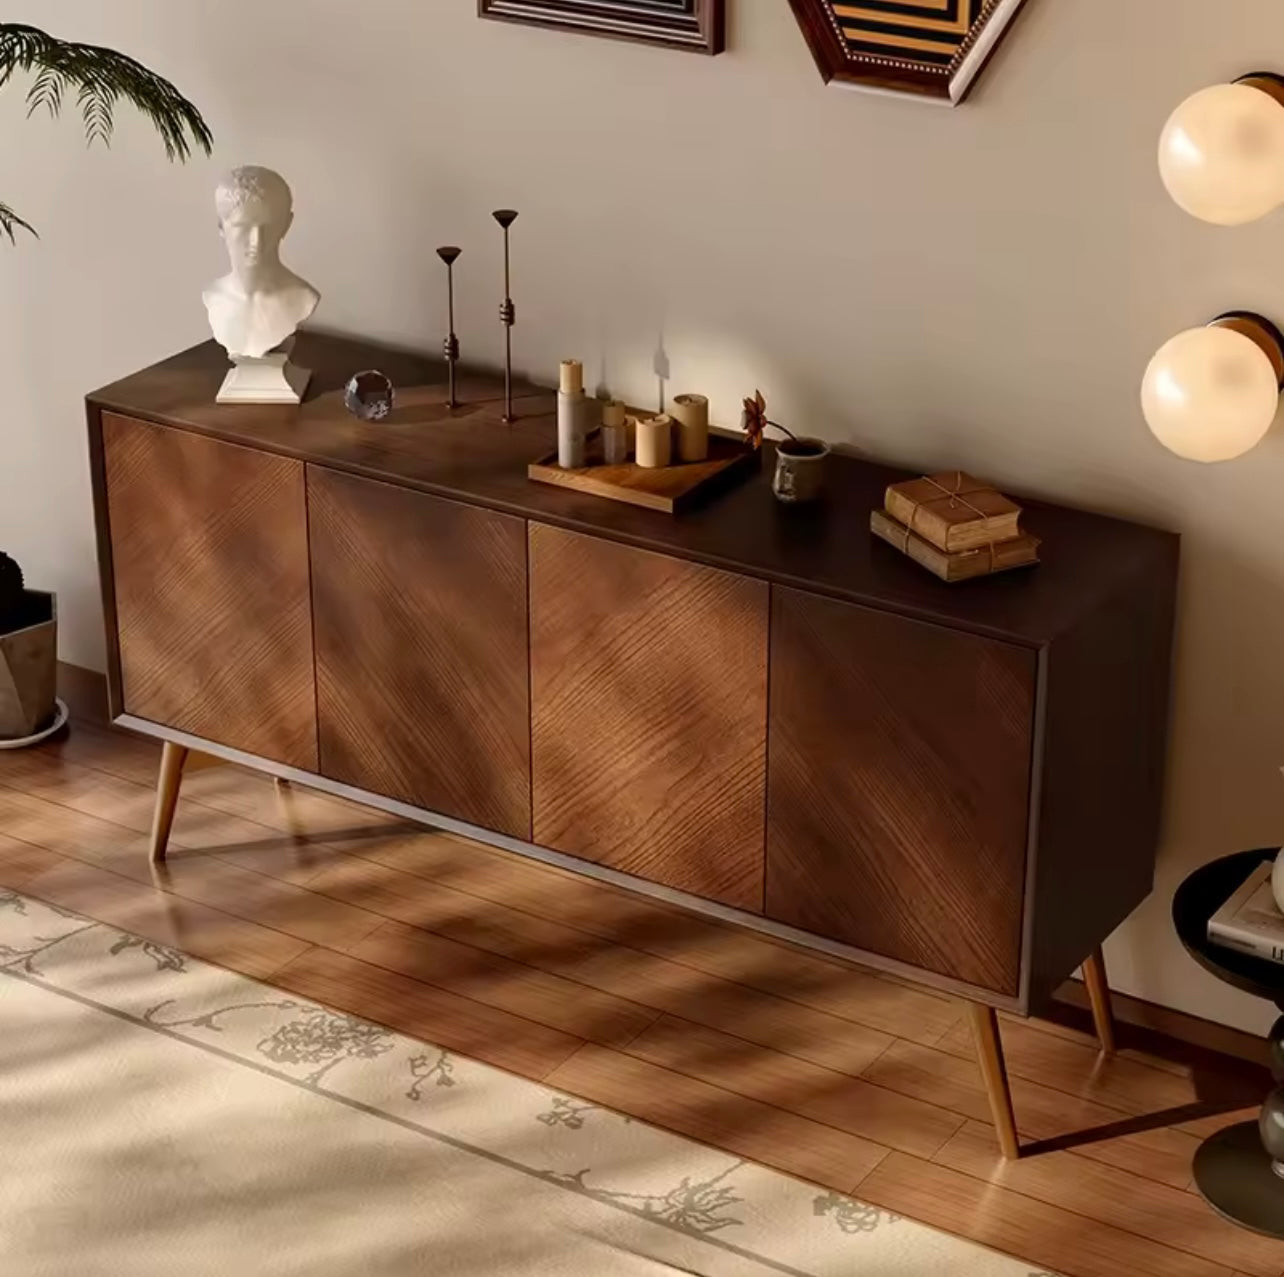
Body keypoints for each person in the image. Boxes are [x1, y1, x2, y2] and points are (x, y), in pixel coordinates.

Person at [203, 166, 319, 360]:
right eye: (243, 226)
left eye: (268, 226)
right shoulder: (214, 297)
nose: (256, 241)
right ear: (221, 227)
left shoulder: (302, 298)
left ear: (286, 225)